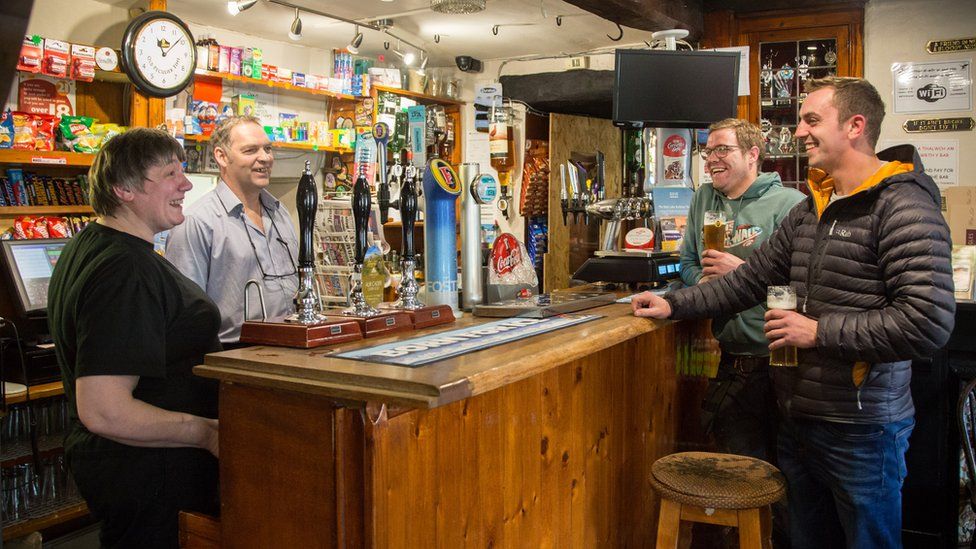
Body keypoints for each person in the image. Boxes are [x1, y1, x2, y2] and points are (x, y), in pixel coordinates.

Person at [632, 76, 955, 549]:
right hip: (799, 416)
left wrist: (818, 332)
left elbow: (927, 322)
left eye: (812, 120)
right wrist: (673, 302)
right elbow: (749, 280)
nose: (799, 131)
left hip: (862, 426)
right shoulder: (812, 210)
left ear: (855, 126)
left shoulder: (902, 205)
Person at [48, 128, 221, 548]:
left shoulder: (92, 244)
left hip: (137, 470)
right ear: (123, 189)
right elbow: (105, 410)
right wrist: (207, 432)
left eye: (183, 172)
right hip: (149, 473)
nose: (185, 184)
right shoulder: (125, 269)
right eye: (169, 174)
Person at [684, 118, 804, 462]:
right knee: (739, 469)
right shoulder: (703, 199)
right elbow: (689, 263)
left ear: (753, 154)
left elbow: (800, 288)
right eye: (708, 151)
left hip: (780, 363)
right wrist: (705, 286)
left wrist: (742, 274)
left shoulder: (790, 204)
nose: (711, 158)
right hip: (732, 359)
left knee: (787, 472)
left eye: (723, 149)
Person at [166, 115, 299, 346]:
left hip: (290, 345)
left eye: (267, 149)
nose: (265, 158)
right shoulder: (197, 222)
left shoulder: (280, 213)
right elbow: (185, 314)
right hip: (230, 354)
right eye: (250, 150)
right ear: (221, 156)